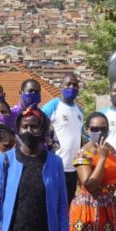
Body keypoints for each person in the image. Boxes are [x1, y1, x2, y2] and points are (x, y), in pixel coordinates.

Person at [41, 73, 85, 205]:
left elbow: (80, 138)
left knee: (67, 206)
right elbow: (39, 128)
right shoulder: (53, 106)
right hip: (54, 166)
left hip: (73, 169)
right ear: (61, 86)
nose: (72, 87)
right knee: (51, 204)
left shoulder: (79, 111)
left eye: (75, 85)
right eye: (68, 84)